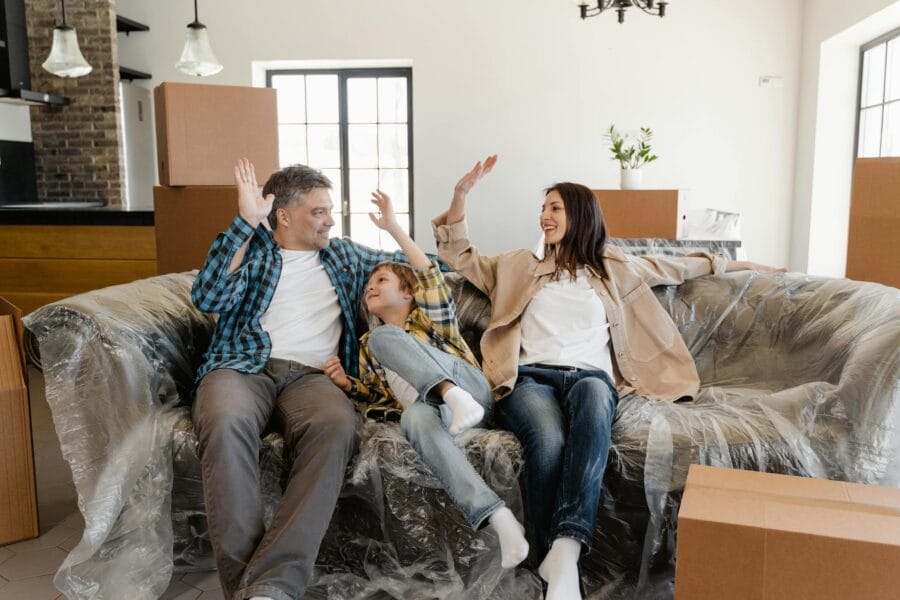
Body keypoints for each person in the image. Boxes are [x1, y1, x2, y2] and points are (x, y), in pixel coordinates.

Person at [432, 155, 785, 600]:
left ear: (580, 215)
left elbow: (681, 265)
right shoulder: (518, 265)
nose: (544, 216)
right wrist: (461, 194)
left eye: (555, 208)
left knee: (596, 409)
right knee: (548, 442)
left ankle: (565, 548)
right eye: (543, 209)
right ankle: (555, 577)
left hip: (590, 378)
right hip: (531, 379)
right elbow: (456, 254)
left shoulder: (614, 267)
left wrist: (746, 267)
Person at [191, 159, 426, 600]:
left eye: (330, 210)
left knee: (337, 428)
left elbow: (429, 273)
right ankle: (254, 589)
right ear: (284, 215)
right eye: (319, 211)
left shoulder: (345, 254)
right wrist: (244, 224)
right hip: (242, 366)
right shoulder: (255, 250)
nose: (330, 220)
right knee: (224, 421)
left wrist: (395, 228)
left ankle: (271, 584)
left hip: (316, 376)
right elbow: (208, 296)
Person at [323, 190, 530, 570]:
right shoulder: (371, 345)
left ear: (408, 293)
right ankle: (498, 518)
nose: (371, 286)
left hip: (470, 390)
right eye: (369, 283)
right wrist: (349, 385)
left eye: (381, 280)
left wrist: (393, 228)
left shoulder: (431, 320)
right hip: (433, 411)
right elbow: (379, 394)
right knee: (412, 418)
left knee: (389, 337)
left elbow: (429, 275)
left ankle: (452, 395)